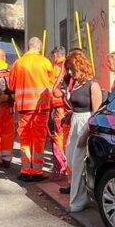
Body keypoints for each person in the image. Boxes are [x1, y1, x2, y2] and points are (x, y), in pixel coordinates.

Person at [7, 37, 54, 181]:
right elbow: (51, 85)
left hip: (24, 107)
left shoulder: (18, 63)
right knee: (39, 138)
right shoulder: (45, 62)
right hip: (41, 107)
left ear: (28, 47)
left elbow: (11, 86)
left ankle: (26, 169)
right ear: (39, 47)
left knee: (25, 139)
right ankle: (37, 171)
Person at [64, 50, 104, 212]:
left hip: (85, 124)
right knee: (72, 161)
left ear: (80, 66)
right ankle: (83, 196)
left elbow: (96, 113)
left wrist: (86, 133)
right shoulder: (77, 84)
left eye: (72, 68)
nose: (70, 72)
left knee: (79, 163)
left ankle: (77, 202)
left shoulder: (93, 85)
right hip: (75, 122)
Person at [47, 46, 70, 181]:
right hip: (70, 106)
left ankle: (61, 165)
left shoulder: (56, 67)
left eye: (52, 56)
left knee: (58, 136)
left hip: (59, 106)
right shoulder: (69, 65)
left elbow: (52, 88)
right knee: (67, 135)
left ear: (55, 55)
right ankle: (67, 165)